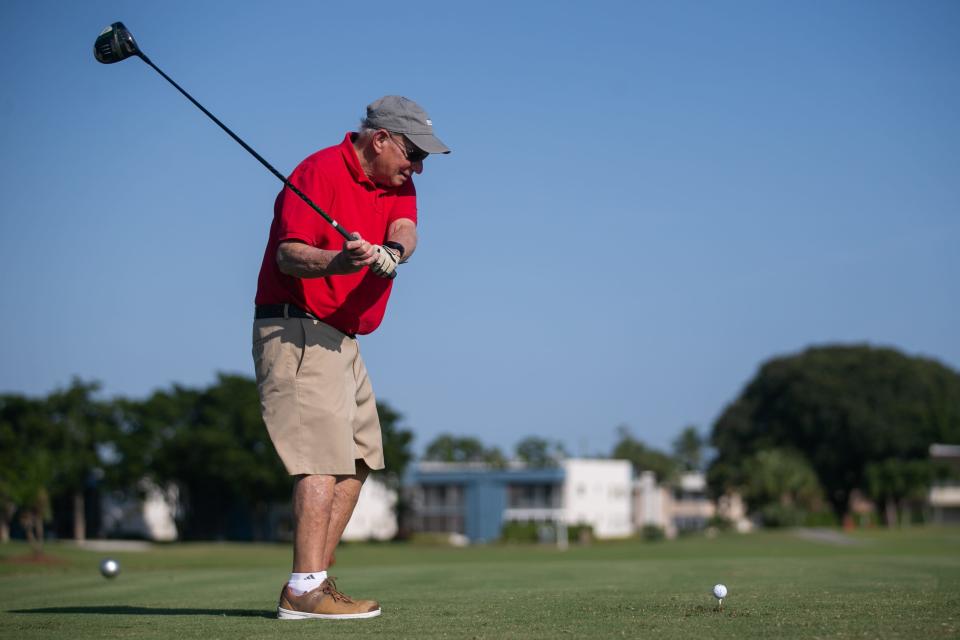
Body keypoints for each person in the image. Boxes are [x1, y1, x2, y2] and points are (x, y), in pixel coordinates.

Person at [251, 96, 450, 620]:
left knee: (360, 459)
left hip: (343, 337)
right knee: (320, 460)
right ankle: (303, 591)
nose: (418, 166)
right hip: (297, 327)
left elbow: (406, 228)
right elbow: (288, 253)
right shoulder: (317, 171)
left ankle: (314, 577)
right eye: (412, 152)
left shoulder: (398, 183)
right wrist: (338, 260)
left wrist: (393, 252)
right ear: (380, 138)